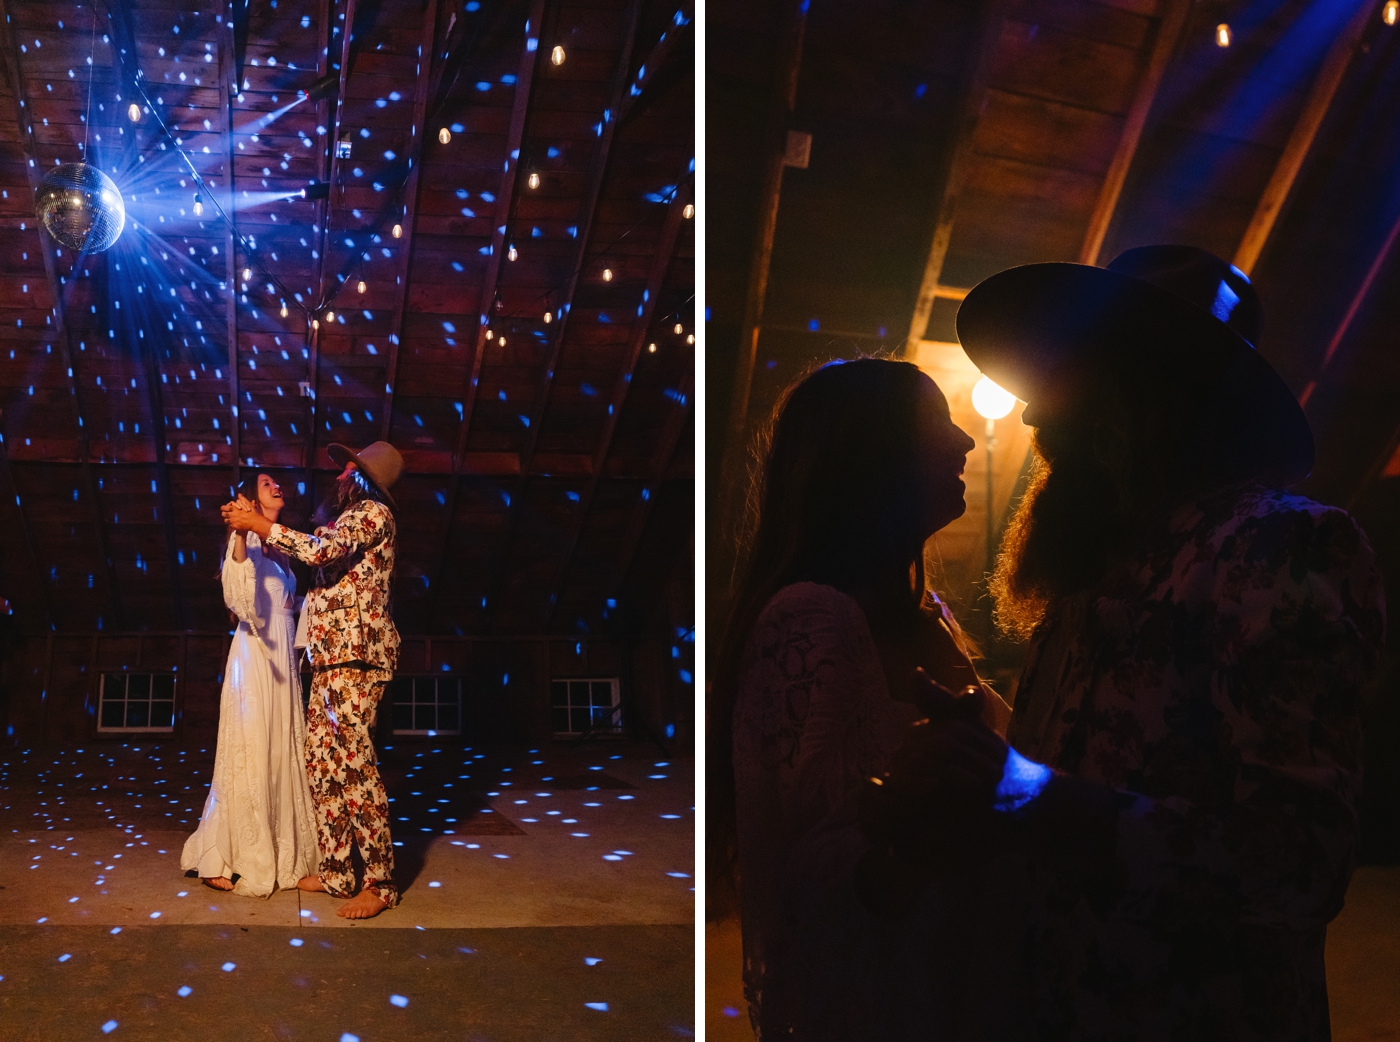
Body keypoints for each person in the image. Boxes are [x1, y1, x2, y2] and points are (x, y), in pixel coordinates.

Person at [864, 246, 1386, 1040]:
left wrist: (1029, 794)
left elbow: (1297, 866)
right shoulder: (1094, 569)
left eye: (1064, 375)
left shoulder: (1279, 546)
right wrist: (985, 763)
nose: (1035, 414)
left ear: (1149, 391)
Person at [711, 357, 1009, 1040]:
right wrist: (916, 836)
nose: (965, 442)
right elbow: (802, 872)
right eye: (937, 423)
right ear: (868, 456)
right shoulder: (814, 618)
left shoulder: (927, 616)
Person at [223, 440, 404, 920]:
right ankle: (339, 871)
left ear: (364, 478)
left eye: (349, 469)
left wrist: (262, 525)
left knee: (355, 767)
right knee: (323, 766)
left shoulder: (372, 515)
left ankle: (380, 881)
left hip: (356, 657)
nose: (341, 475)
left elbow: (320, 550)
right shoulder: (350, 516)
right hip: (329, 658)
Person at [182, 472, 319, 896]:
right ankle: (223, 854)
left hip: (283, 658)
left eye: (276, 482)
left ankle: (287, 857)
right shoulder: (247, 543)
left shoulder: (279, 546)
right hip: (256, 655)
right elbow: (240, 599)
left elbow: (287, 602)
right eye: (265, 484)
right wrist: (239, 534)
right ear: (248, 500)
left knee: (281, 748)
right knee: (251, 748)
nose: (276, 486)